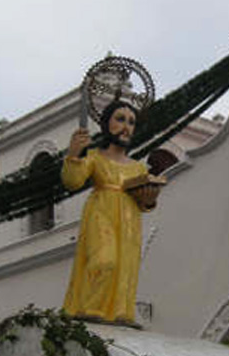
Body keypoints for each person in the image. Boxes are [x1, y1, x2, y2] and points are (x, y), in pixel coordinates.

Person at [61, 99, 161, 324]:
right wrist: (74, 154)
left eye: (131, 122)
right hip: (101, 213)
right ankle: (89, 309)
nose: (126, 127)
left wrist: (149, 199)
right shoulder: (94, 156)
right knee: (104, 260)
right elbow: (73, 181)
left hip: (129, 220)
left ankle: (119, 313)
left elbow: (143, 202)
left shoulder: (138, 167)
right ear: (107, 124)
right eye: (120, 119)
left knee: (126, 265)